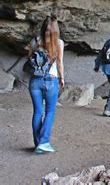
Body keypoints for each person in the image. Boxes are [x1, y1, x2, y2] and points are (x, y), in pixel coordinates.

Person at [27, 16, 64, 154]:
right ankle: (43, 142)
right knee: (50, 111)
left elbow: (29, 59)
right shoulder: (59, 43)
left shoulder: (35, 41)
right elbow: (59, 62)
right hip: (51, 80)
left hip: (35, 81)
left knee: (37, 111)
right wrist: (62, 78)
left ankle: (38, 144)